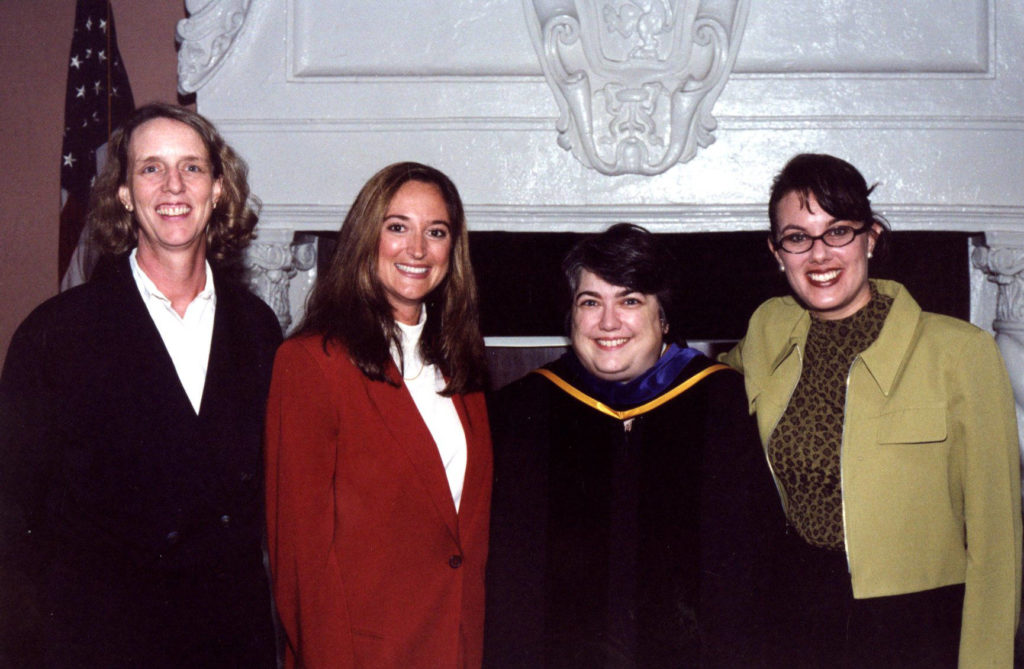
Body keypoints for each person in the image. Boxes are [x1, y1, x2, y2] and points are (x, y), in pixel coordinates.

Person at [0, 103, 281, 667]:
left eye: (193, 168)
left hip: (228, 643)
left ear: (218, 190)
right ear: (125, 193)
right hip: (101, 645)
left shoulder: (258, 328)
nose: (173, 185)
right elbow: (11, 517)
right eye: (151, 168)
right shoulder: (56, 333)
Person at [721, 153, 1022, 667]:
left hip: (916, 625)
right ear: (777, 252)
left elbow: (998, 543)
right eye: (797, 237)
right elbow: (694, 387)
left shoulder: (961, 352)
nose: (819, 255)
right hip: (795, 613)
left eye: (837, 231)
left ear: (871, 238)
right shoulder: (768, 328)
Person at [484, 223, 781, 668]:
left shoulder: (724, 407)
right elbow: (509, 583)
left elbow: (751, 575)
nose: (608, 322)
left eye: (630, 300)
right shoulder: (524, 413)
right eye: (590, 302)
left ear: (663, 318)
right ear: (571, 317)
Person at [265, 162, 492, 668]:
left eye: (436, 232)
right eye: (397, 227)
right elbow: (302, 563)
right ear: (366, 236)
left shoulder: (462, 367)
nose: (417, 249)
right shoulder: (310, 364)